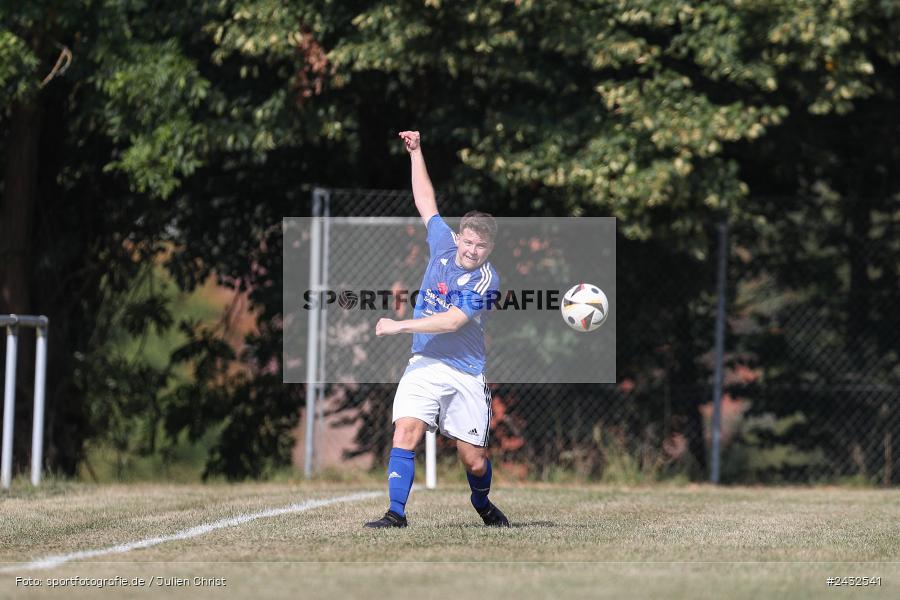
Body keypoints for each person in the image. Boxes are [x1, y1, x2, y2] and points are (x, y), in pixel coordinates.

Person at [364, 130, 509, 528]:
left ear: (488, 249)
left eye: (480, 246)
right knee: (406, 430)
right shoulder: (443, 244)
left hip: (464, 372)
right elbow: (426, 201)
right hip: (425, 363)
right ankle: (395, 515)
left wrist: (399, 325)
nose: (471, 250)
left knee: (474, 460)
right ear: (459, 236)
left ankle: (482, 504)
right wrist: (416, 152)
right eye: (468, 241)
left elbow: (453, 321)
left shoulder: (485, 280)